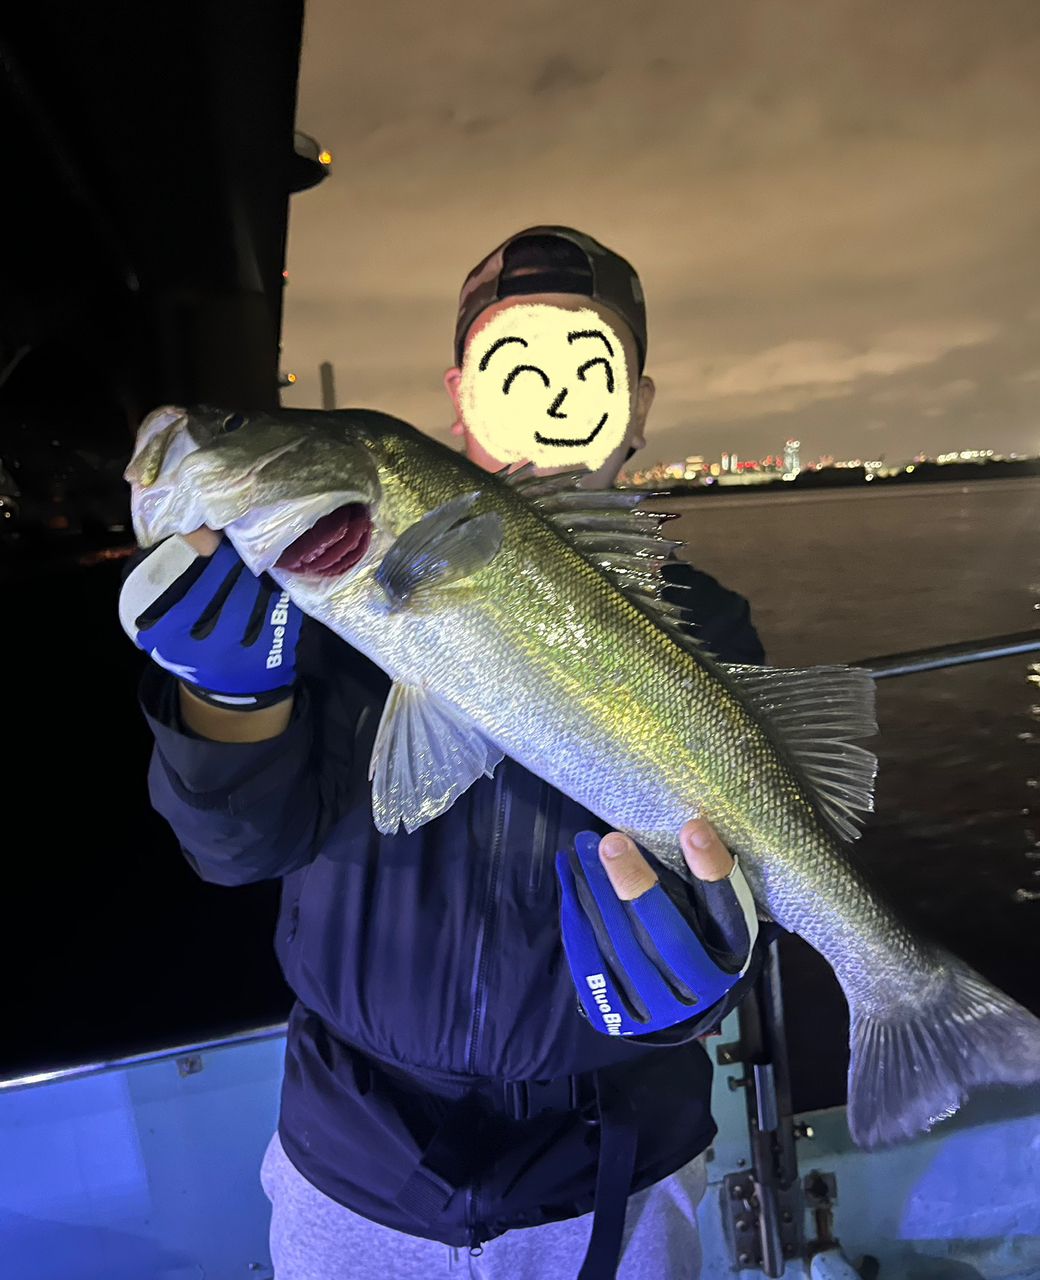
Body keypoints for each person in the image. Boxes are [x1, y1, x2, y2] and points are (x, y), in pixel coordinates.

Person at [121, 227, 774, 1279]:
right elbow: (237, 850)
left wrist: (702, 981)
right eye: (515, 369)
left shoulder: (705, 625)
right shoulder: (326, 594)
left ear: (638, 405)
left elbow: (738, 879)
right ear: (463, 396)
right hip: (354, 1160)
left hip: (613, 1170)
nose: (554, 401)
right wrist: (225, 694)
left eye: (591, 370)